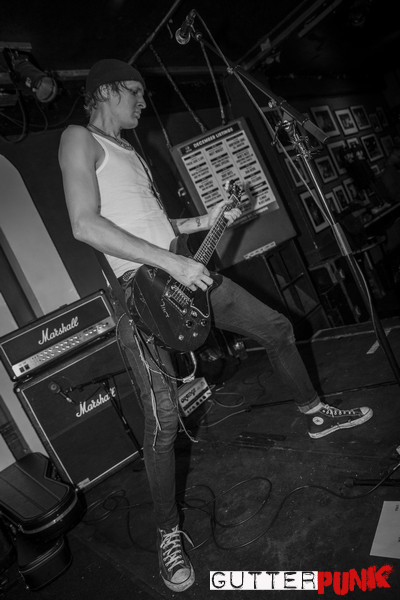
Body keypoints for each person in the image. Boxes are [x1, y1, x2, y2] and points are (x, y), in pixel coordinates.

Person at [58, 59, 373, 593]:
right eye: (135, 92)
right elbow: (85, 224)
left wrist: (211, 218)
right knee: (163, 420)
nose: (143, 102)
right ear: (105, 90)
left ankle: (315, 413)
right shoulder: (78, 138)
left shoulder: (131, 151)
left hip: (182, 270)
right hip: (140, 293)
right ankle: (168, 534)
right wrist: (173, 263)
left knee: (275, 326)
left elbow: (159, 224)